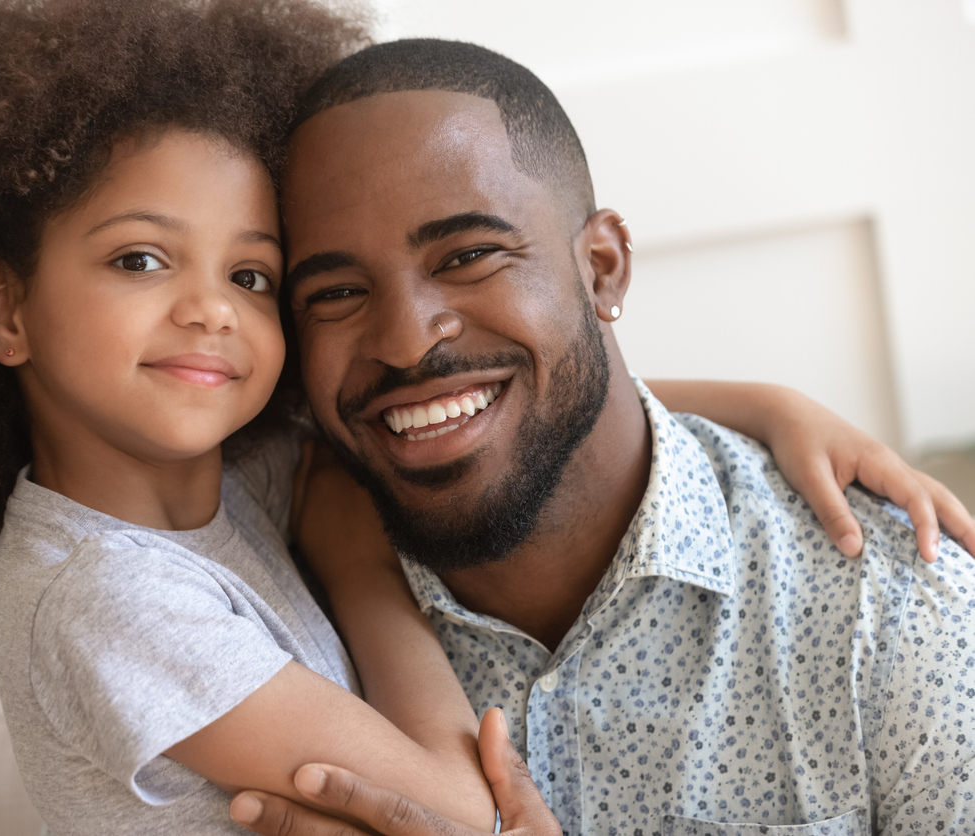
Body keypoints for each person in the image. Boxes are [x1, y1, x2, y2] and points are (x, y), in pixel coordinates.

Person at [0, 4, 970, 833]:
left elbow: (522, 385)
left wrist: (765, 402)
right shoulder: (114, 593)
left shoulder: (227, 481)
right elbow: (464, 809)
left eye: (248, 276)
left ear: (604, 270)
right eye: (138, 260)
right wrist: (351, 559)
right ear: (2, 309)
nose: (211, 315)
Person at [228, 38, 975, 836]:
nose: (408, 341)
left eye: (471, 254)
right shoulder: (249, 622)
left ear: (604, 266)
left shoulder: (893, 613)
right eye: (337, 292)